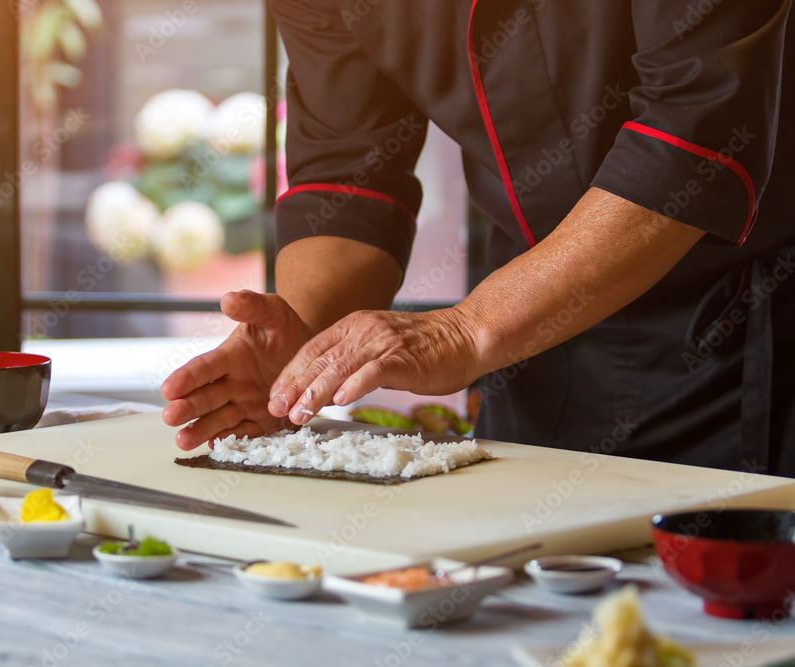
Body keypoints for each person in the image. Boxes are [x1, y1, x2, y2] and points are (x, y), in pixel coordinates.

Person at [162, 0, 795, 478]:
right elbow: (348, 171)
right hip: (532, 325)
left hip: (744, 321)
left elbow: (700, 125)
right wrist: (302, 347)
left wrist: (464, 330)